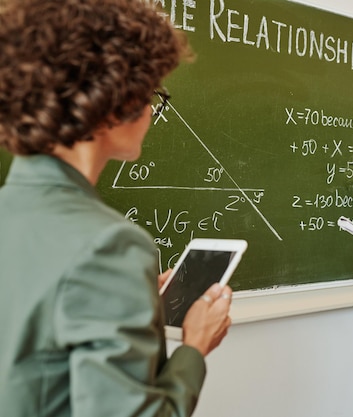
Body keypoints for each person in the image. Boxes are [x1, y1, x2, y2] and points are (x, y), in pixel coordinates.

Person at [0, 0, 233, 416]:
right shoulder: (108, 246)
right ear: (114, 101)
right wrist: (194, 348)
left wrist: (128, 296)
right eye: (152, 94)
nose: (150, 111)